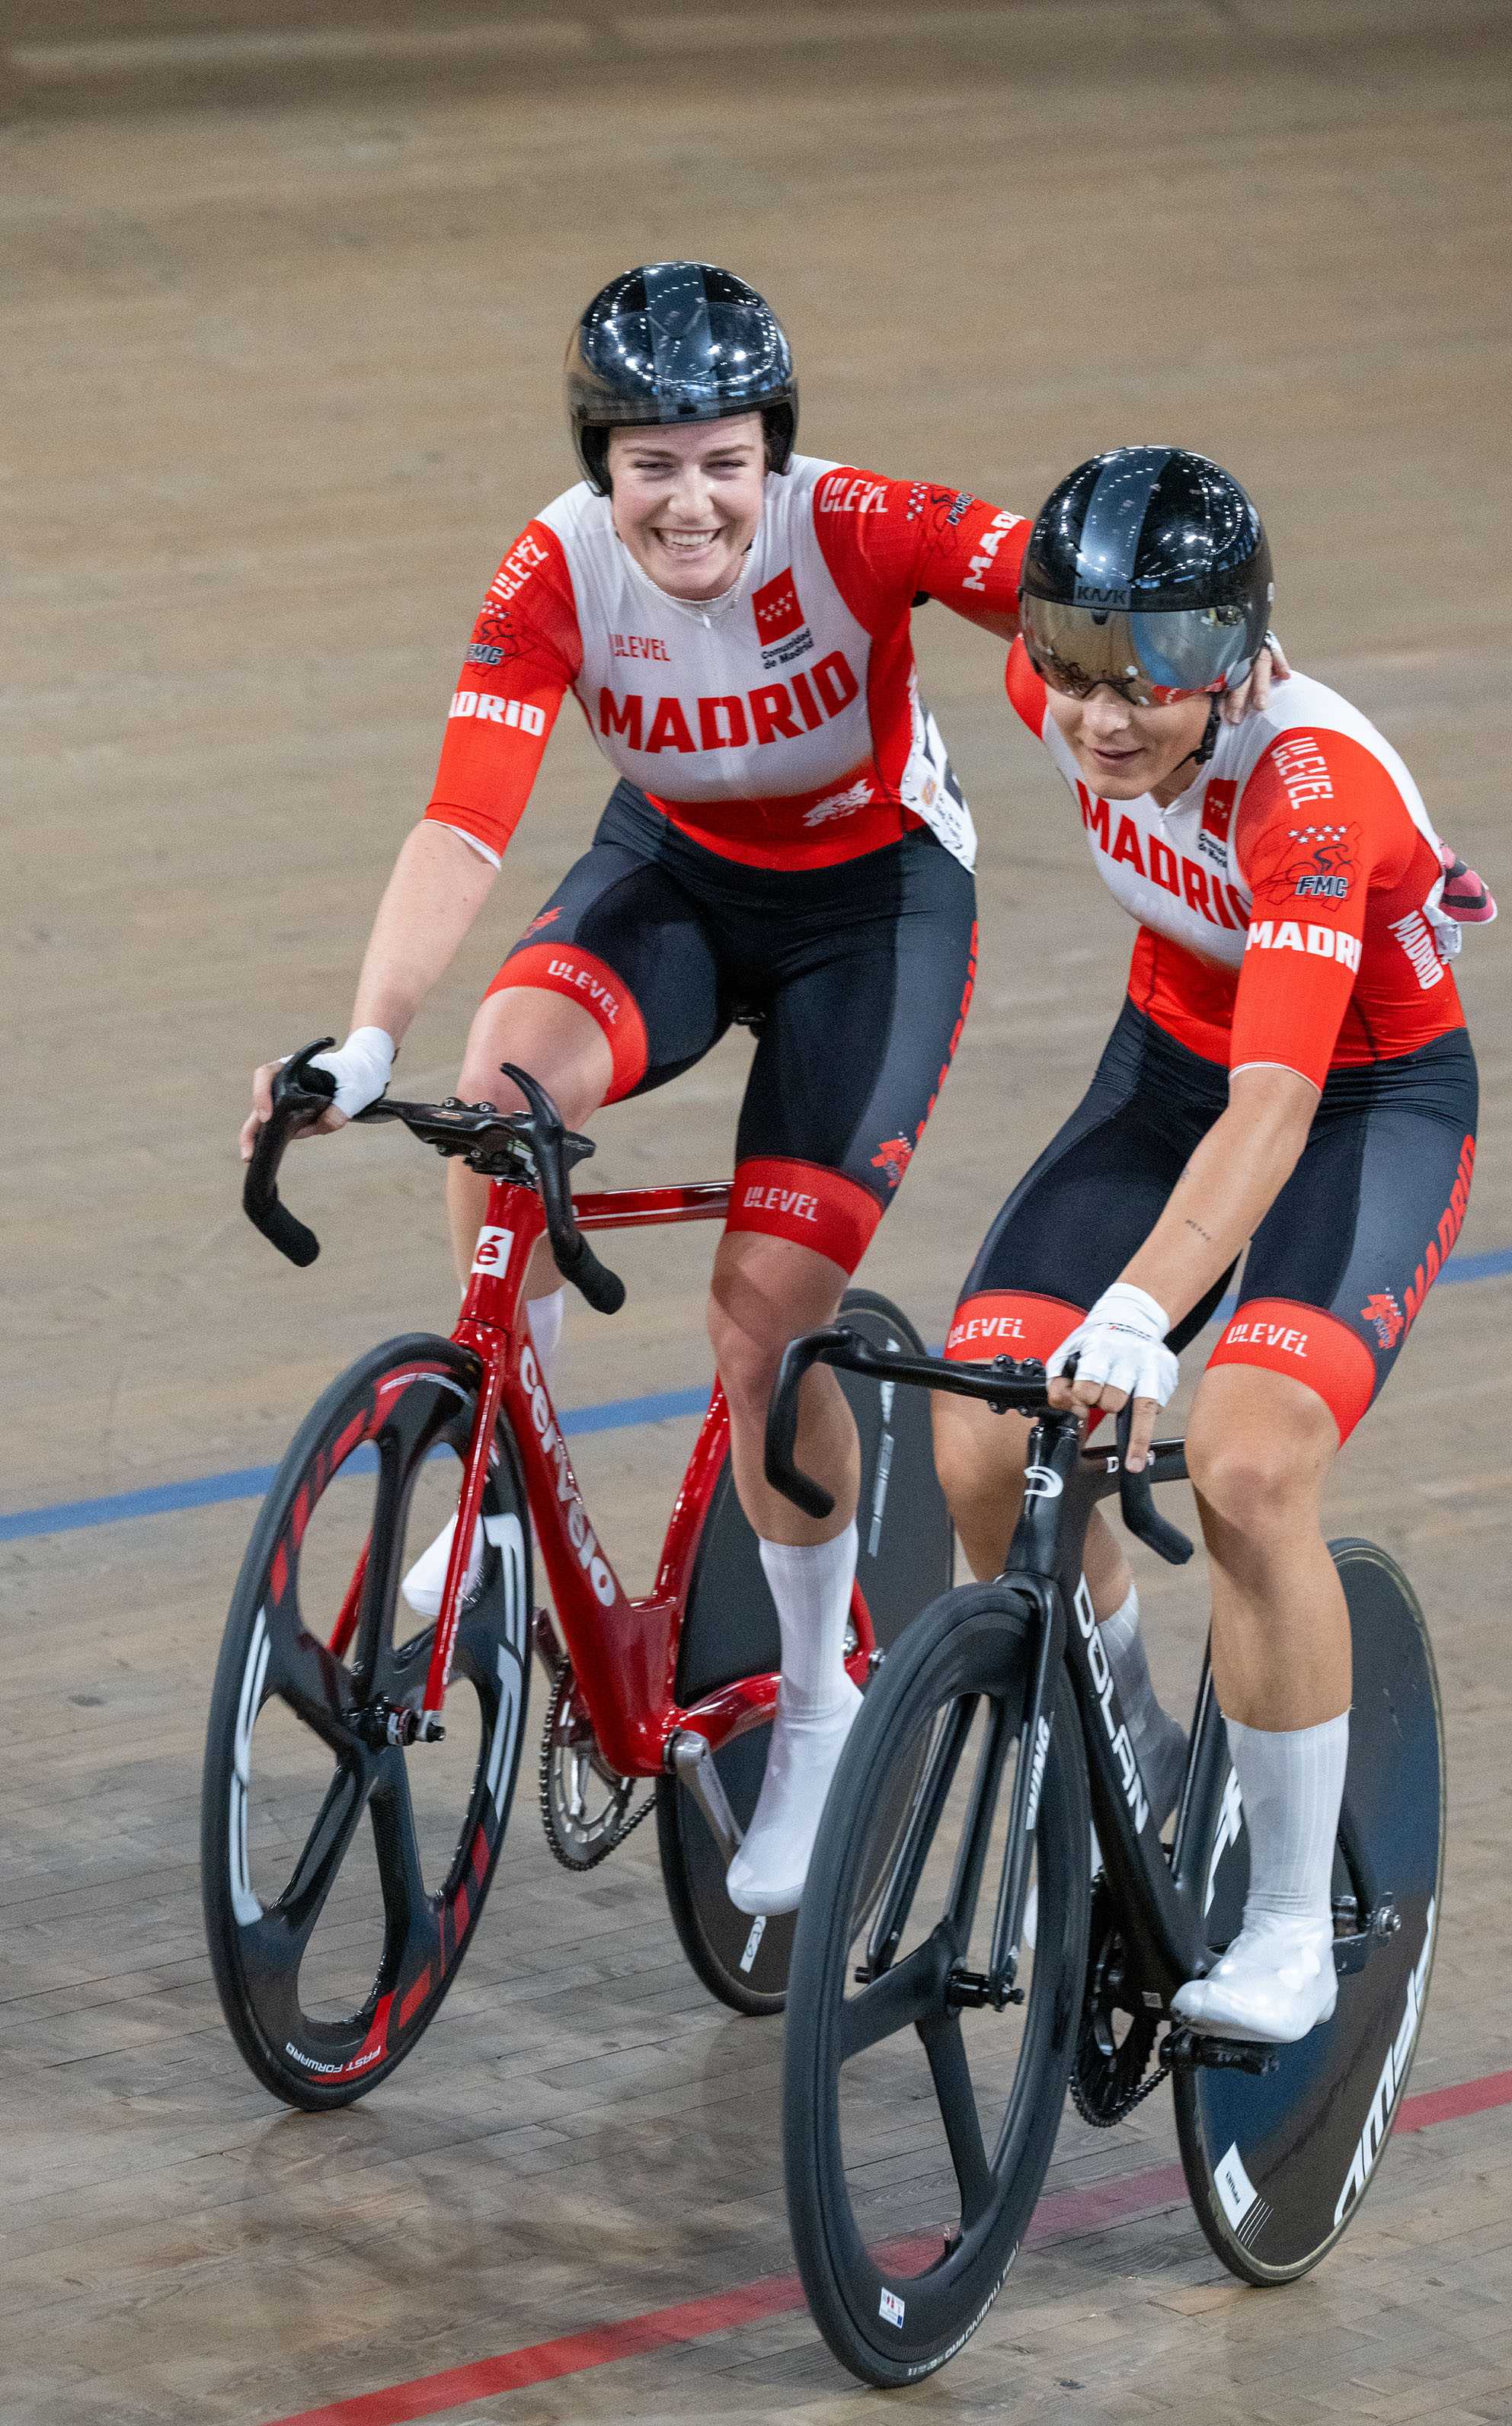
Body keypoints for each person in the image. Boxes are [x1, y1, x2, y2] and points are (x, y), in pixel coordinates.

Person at [240, 261, 1127, 1919]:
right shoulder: (552, 569)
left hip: (873, 911)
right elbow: (464, 820)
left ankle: (814, 1702)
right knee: (502, 1091)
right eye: (651, 464)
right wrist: (365, 1039)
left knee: (759, 1323)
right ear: (599, 465)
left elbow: (1072, 578)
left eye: (724, 457)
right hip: (678, 873)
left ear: (772, 453)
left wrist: (1214, 663)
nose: (692, 498)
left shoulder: (856, 522)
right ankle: (505, 1490)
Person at [934, 446, 1491, 2041]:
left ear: (1241, 654)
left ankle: (1286, 1928)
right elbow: (923, 555)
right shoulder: (1071, 678)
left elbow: (1276, 1108)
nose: (1111, 715)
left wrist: (1138, 1309)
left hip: (1355, 1102)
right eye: (1079, 666)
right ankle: (1141, 1783)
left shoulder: (1314, 792)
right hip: (1174, 1063)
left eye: (1160, 675)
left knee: (1247, 1466)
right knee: (982, 1429)